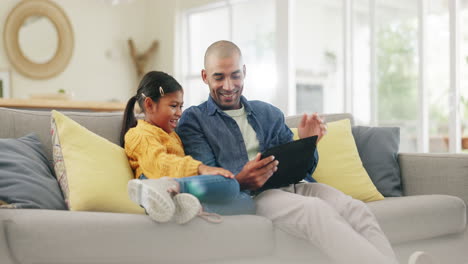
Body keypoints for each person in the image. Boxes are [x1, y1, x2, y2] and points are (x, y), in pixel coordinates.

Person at [176, 40, 436, 264]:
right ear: (204, 76)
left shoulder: (268, 112)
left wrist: (308, 142)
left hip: (296, 185)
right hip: (253, 195)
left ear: (244, 72)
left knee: (355, 208)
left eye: (235, 75)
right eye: (219, 77)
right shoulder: (194, 120)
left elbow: (304, 168)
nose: (229, 85)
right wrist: (242, 178)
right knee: (316, 212)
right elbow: (207, 176)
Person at [120, 70, 255, 225]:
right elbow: (159, 165)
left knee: (246, 202)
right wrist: (201, 169)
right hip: (155, 183)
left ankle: (186, 207)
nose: (179, 113)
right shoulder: (139, 134)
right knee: (230, 184)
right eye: (173, 106)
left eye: (181, 106)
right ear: (150, 105)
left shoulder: (171, 134)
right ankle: (172, 190)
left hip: (184, 188)